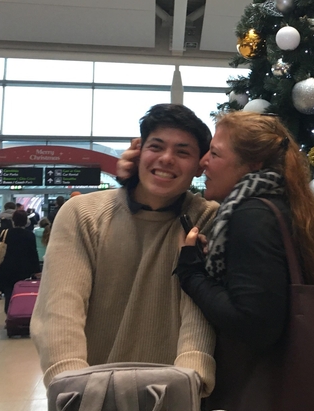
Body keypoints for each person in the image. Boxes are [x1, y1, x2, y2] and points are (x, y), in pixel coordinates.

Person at [118, 111, 314, 411]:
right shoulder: (277, 203)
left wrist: (191, 272)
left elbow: (254, 324)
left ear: (251, 165)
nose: (204, 163)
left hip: (254, 403)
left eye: (215, 153)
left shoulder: (250, 215)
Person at [31, 104, 219, 395]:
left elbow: (198, 317)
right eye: (156, 147)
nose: (167, 159)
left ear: (198, 166)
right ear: (138, 150)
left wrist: (189, 382)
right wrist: (73, 387)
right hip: (88, 396)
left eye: (183, 152)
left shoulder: (205, 218)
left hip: (174, 399)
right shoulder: (83, 215)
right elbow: (60, 312)